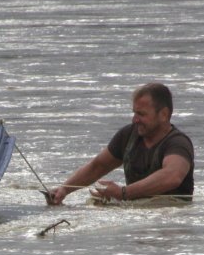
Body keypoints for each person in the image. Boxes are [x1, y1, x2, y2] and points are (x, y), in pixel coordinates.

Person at [48, 83, 194, 205]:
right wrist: (64, 189)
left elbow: (172, 176)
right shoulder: (129, 135)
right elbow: (98, 166)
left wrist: (123, 193)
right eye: (134, 113)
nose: (134, 119)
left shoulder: (178, 143)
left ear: (163, 114)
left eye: (141, 114)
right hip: (134, 209)